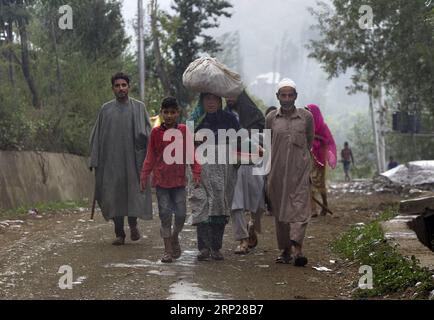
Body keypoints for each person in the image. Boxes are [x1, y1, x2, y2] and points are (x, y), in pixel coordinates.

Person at [89, 72, 153, 245]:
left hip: (134, 161)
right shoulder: (106, 109)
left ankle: (133, 225)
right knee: (114, 195)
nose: (121, 89)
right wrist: (94, 160)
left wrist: (149, 156)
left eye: (124, 85)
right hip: (110, 162)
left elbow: (149, 134)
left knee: (133, 193)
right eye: (117, 86)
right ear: (112, 89)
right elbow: (96, 136)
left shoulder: (139, 107)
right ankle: (119, 233)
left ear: (128, 87)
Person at [140, 97, 201, 263]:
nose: (168, 116)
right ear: (161, 113)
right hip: (161, 182)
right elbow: (150, 156)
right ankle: (167, 250)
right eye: (165, 112)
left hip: (179, 182)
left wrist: (196, 171)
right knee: (165, 214)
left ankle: (175, 236)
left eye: (172, 112)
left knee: (181, 215)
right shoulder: (156, 133)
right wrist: (144, 175)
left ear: (177, 113)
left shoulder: (183, 131)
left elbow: (191, 153)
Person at [266, 78, 314, 267]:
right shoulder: (271, 118)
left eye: (290, 95)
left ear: (296, 96)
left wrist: (299, 159)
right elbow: (268, 143)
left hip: (299, 170)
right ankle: (285, 250)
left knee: (300, 209)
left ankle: (298, 249)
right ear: (278, 97)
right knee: (281, 211)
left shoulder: (306, 117)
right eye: (283, 95)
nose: (287, 98)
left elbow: (309, 141)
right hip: (277, 172)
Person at [189, 92, 240, 261]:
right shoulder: (195, 119)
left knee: (220, 204)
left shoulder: (230, 119)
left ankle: (216, 247)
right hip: (200, 169)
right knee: (201, 203)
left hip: (224, 170)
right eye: (207, 98)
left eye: (214, 99)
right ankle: (203, 247)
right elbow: (185, 142)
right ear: (201, 100)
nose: (210, 102)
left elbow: (239, 142)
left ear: (220, 100)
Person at [225, 91, 266, 255]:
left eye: (231, 95)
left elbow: (264, 139)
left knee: (258, 205)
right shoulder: (224, 117)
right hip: (234, 166)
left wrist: (247, 137)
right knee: (236, 204)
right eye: (226, 96)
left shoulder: (255, 115)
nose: (228, 99)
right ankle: (242, 240)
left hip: (255, 164)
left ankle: (252, 227)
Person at [306, 104, 337, 217]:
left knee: (320, 183)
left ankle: (325, 204)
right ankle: (313, 209)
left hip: (319, 159)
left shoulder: (323, 127)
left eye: (310, 111)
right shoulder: (306, 126)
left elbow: (327, 140)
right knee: (308, 182)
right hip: (308, 157)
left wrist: (315, 137)